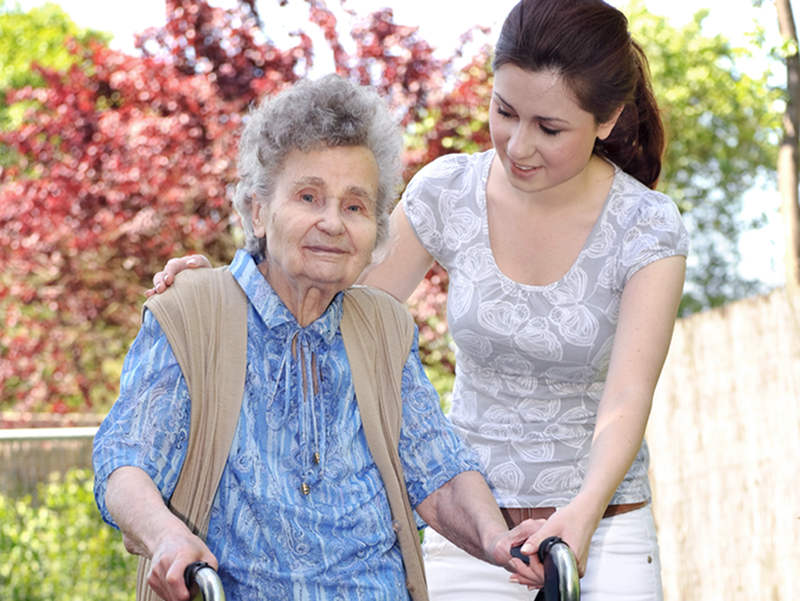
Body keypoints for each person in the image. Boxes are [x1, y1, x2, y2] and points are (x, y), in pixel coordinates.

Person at [148, 1, 690, 599]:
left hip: (603, 527)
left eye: (550, 127)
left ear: (607, 119)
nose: (518, 145)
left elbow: (626, 401)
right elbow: (329, 305)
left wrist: (582, 516)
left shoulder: (647, 227)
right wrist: (219, 290)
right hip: (472, 533)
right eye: (505, 111)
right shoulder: (449, 191)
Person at [93, 74, 542, 601]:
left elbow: (436, 471)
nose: (333, 222)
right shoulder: (193, 310)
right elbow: (126, 459)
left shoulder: (384, 326)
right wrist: (167, 536)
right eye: (309, 196)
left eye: (355, 206)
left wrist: (498, 541)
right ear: (258, 210)